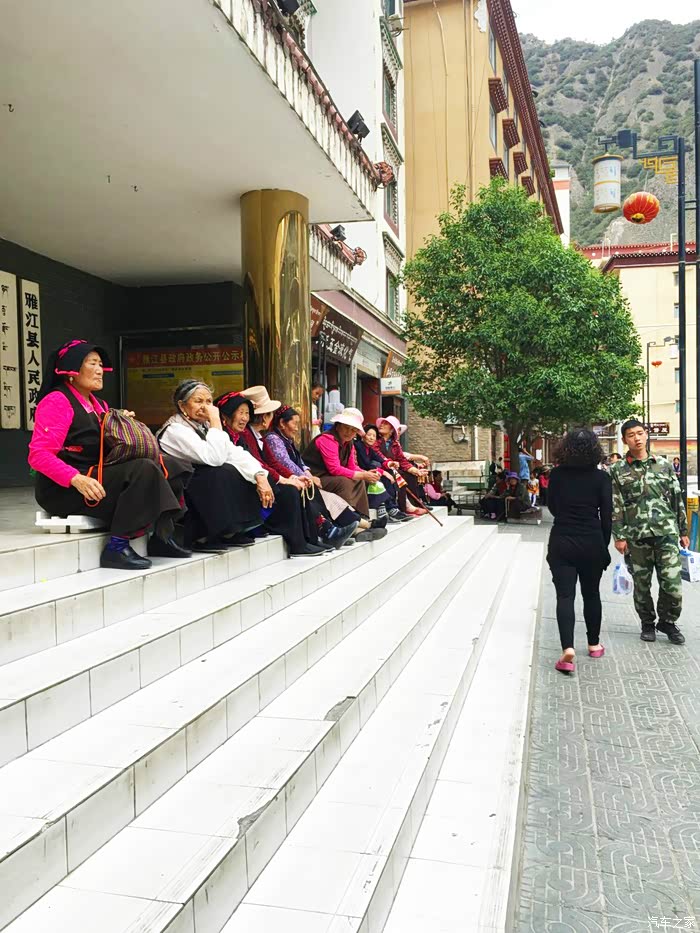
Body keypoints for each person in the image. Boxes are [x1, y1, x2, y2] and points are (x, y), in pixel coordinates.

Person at [29, 339, 191, 570]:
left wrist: (121, 424)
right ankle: (116, 547)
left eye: (100, 364)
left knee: (173, 465)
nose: (99, 370)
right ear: (72, 370)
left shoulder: (100, 405)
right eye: (92, 363)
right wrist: (76, 478)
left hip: (96, 475)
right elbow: (38, 455)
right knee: (143, 470)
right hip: (66, 488)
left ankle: (162, 536)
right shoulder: (57, 401)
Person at [239, 387, 355, 552]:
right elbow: (267, 464)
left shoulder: (262, 437)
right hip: (258, 480)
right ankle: (307, 539)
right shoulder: (265, 438)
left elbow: (276, 463)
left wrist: (297, 477)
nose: (296, 427)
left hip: (269, 477)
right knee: (295, 490)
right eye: (294, 423)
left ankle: (322, 532)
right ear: (265, 417)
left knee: (306, 486)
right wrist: (288, 479)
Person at [158, 381, 266, 550]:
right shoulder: (174, 430)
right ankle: (203, 535)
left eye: (209, 402)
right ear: (182, 405)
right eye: (198, 401)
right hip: (183, 487)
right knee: (220, 472)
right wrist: (216, 421)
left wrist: (259, 475)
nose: (205, 407)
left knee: (243, 471)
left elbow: (234, 453)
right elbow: (214, 458)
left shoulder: (204, 427)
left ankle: (231, 530)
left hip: (201, 484)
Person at [611, 419, 689, 645]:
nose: (636, 438)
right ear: (625, 440)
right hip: (636, 536)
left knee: (672, 584)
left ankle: (667, 621)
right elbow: (615, 504)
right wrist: (619, 535)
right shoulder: (617, 470)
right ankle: (647, 622)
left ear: (646, 435)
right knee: (642, 585)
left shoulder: (663, 465)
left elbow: (677, 498)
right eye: (631, 435)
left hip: (666, 533)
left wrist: (683, 530)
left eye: (640, 433)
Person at [546, 430, 611, 674]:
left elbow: (552, 507)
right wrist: (603, 547)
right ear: (595, 449)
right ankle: (594, 645)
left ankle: (568, 649)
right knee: (592, 594)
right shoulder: (602, 478)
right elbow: (607, 517)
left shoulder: (557, 475)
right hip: (592, 541)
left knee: (565, 596)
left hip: (562, 539)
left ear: (566, 448)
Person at [270, 406, 378, 542]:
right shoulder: (275, 439)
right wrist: (308, 477)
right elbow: (334, 469)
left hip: (310, 478)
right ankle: (354, 525)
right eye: (347, 428)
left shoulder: (287, 441)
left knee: (357, 481)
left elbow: (300, 464)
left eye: (353, 430)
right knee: (343, 482)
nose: (349, 432)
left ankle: (360, 520)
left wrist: (367, 474)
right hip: (317, 477)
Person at [375, 415, 428, 515]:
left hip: (391, 467)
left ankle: (412, 503)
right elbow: (377, 455)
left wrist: (416, 471)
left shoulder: (395, 444)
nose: (381, 425)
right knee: (397, 474)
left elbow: (402, 460)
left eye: (385, 424)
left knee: (409, 475)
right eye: (382, 423)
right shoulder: (376, 440)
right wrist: (390, 463)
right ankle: (400, 506)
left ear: (392, 429)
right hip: (379, 466)